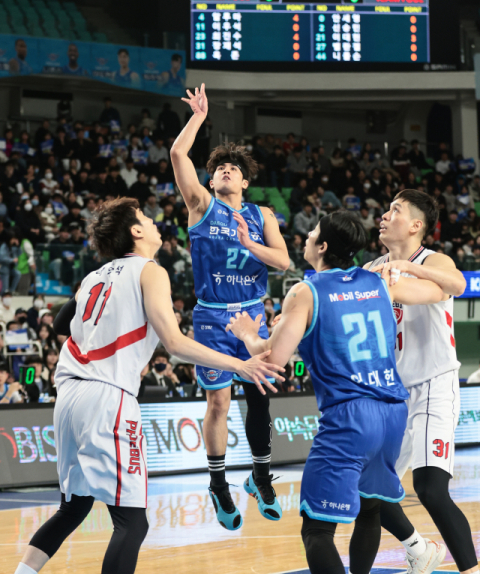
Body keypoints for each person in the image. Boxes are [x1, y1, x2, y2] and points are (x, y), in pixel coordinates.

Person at [13, 197, 282, 574]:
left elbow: (60, 324)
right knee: (132, 523)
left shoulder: (94, 275)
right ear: (136, 232)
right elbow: (174, 344)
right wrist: (241, 364)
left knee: (73, 507)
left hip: (68, 396)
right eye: (145, 218)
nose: (155, 223)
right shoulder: (151, 271)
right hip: (107, 397)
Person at [226, 211, 445, 574]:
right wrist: (412, 270)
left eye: (312, 232)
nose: (307, 237)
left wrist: (247, 333)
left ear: (323, 246)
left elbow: (272, 359)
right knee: (370, 506)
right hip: (392, 411)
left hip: (349, 416)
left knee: (316, 530)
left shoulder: (306, 291)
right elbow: (441, 290)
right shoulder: (378, 281)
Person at [170, 83, 290, 531]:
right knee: (219, 402)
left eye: (231, 168)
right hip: (211, 315)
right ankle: (219, 484)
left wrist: (248, 244)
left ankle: (260, 477)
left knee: (260, 399)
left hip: (253, 312)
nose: (224, 169)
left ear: (244, 181)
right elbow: (179, 159)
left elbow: (283, 261)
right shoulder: (201, 205)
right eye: (218, 166)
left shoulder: (263, 216)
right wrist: (198, 117)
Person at [360, 189, 478, 574]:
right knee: (369, 496)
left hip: (433, 387)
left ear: (415, 225)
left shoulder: (433, 260)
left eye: (394, 210)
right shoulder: (372, 267)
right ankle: (417, 548)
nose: (383, 215)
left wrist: (409, 270)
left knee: (430, 490)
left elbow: (456, 286)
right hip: (392, 397)